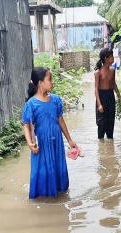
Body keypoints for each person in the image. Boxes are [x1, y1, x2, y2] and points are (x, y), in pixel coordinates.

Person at [22, 67, 77, 199]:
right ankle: (43, 196)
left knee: (57, 167)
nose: (52, 83)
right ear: (41, 83)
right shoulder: (31, 104)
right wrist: (30, 143)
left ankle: (60, 194)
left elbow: (61, 121)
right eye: (50, 80)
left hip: (56, 141)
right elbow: (26, 125)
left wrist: (69, 140)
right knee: (42, 170)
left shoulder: (56, 100)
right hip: (41, 142)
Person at [94, 48, 121, 140]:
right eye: (111, 56)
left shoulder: (113, 70)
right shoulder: (98, 73)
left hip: (110, 96)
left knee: (110, 121)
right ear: (106, 59)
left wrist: (119, 96)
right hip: (101, 97)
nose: (113, 58)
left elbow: (113, 84)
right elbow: (96, 89)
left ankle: (110, 144)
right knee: (101, 123)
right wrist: (99, 105)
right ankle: (101, 147)